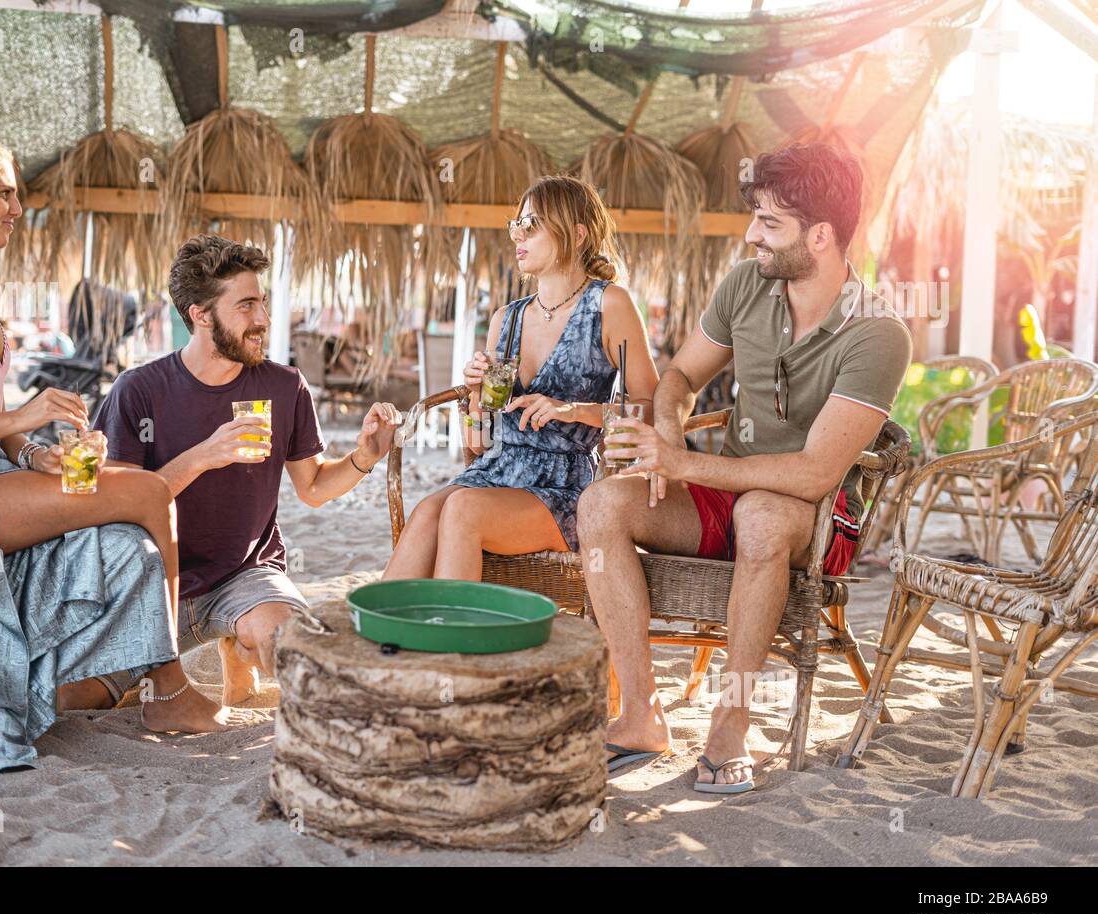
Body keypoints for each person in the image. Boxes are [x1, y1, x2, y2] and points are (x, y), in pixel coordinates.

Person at [0, 133, 230, 773]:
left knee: (126, 535)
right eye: (2, 192)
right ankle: (166, 688)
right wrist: (20, 416)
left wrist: (31, 451)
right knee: (146, 492)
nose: (15, 207)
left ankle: (70, 682)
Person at [579, 142, 912, 790]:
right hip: (726, 490)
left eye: (769, 222)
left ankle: (731, 722)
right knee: (601, 504)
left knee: (761, 515)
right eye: (754, 215)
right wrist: (668, 428)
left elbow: (816, 474)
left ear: (820, 236)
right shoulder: (745, 285)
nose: (750, 234)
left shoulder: (878, 333)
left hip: (816, 518)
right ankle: (641, 713)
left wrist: (684, 464)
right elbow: (679, 374)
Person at [85, 234, 400, 706]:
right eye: (247, 305)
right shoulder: (138, 391)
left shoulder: (284, 386)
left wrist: (364, 457)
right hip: (152, 586)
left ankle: (240, 640)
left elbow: (312, 487)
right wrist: (203, 456)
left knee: (296, 649)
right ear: (201, 314)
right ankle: (195, 657)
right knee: (75, 700)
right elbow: (114, 505)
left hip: (245, 574)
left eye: (264, 303)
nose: (264, 320)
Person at [383, 175, 659, 581]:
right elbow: (479, 444)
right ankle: (387, 634)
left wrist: (573, 410)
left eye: (531, 225)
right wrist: (476, 395)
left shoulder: (609, 305)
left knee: (462, 510)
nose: (518, 236)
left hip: (567, 483)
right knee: (427, 512)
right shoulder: (506, 320)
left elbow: (648, 411)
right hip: (496, 470)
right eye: (516, 225)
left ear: (576, 234)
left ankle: (452, 638)